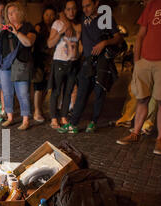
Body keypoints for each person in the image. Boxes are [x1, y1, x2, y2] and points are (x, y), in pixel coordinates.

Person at [116, 0, 161, 155]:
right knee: (142, 99)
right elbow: (141, 34)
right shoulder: (153, 4)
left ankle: (160, 140)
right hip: (144, 61)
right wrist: (137, 60)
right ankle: (135, 133)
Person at [58, 0, 123, 134]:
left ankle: (93, 122)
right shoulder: (83, 17)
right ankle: (73, 123)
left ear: (96, 3)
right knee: (82, 91)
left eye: (88, 6)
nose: (85, 9)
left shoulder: (105, 18)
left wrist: (104, 42)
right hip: (87, 60)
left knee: (99, 91)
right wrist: (68, 26)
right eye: (83, 7)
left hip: (102, 60)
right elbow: (61, 13)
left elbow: (118, 38)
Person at [0, 1, 37, 131]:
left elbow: (28, 42)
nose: (10, 16)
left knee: (23, 93)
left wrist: (16, 32)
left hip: (21, 63)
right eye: (8, 13)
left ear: (20, 13)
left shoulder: (28, 27)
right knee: (7, 92)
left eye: (13, 12)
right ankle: (10, 117)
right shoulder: (5, 30)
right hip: (6, 65)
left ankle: (25, 120)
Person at [47, 0, 81, 129]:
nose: (71, 12)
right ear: (64, 10)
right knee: (56, 92)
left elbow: (79, 43)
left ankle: (63, 116)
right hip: (59, 62)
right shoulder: (58, 23)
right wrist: (61, 32)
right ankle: (54, 118)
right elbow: (50, 43)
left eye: (73, 9)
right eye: (68, 9)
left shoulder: (79, 25)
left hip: (73, 62)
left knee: (68, 92)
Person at [32, 5, 56, 124]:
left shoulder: (55, 27)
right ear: (43, 15)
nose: (49, 17)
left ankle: (39, 108)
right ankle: (37, 111)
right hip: (39, 59)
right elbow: (37, 44)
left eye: (51, 15)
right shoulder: (38, 27)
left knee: (46, 87)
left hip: (50, 60)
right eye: (47, 14)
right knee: (38, 87)